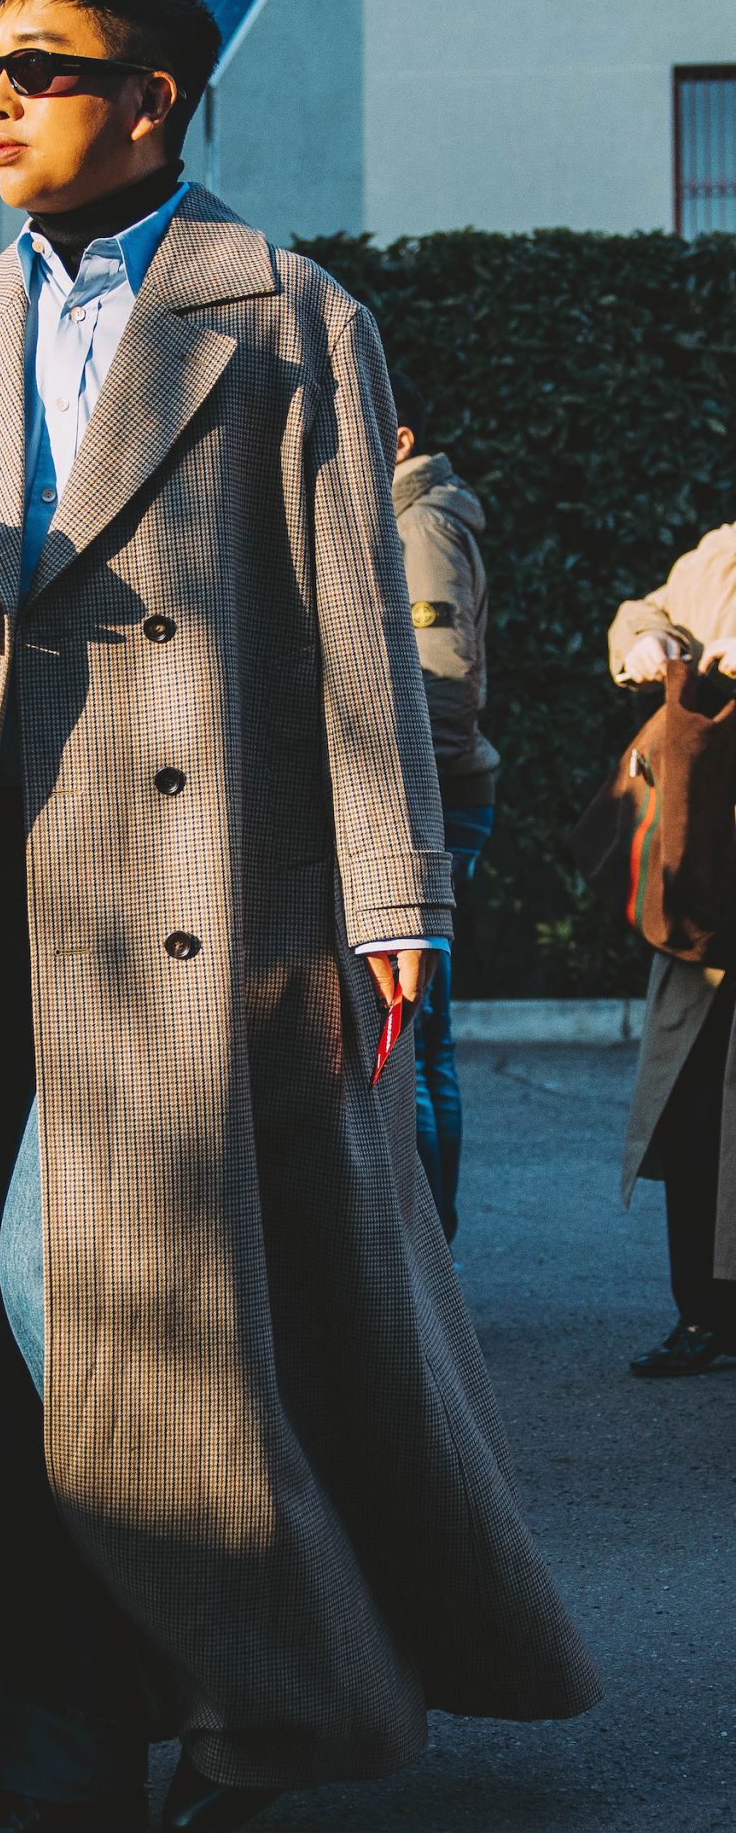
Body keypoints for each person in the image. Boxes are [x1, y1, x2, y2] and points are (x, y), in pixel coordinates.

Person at [0, 0, 598, 1833]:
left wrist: (396, 900)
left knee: (76, 1300)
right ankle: (79, 1745)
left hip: (194, 912)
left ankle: (281, 1681)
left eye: (39, 67)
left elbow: (360, 634)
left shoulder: (285, 312)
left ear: (152, 97)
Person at [609, 527, 736, 1377]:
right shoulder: (722, 550)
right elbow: (646, 610)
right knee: (693, 1103)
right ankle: (704, 1315)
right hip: (705, 876)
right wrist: (645, 641)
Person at [390, 367, 499, 1241]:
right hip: (437, 793)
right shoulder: (409, 517)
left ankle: (431, 1254)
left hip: (432, 799)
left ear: (398, 442)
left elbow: (441, 682)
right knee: (422, 1032)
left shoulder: (419, 524)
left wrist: (406, 802)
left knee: (420, 1037)